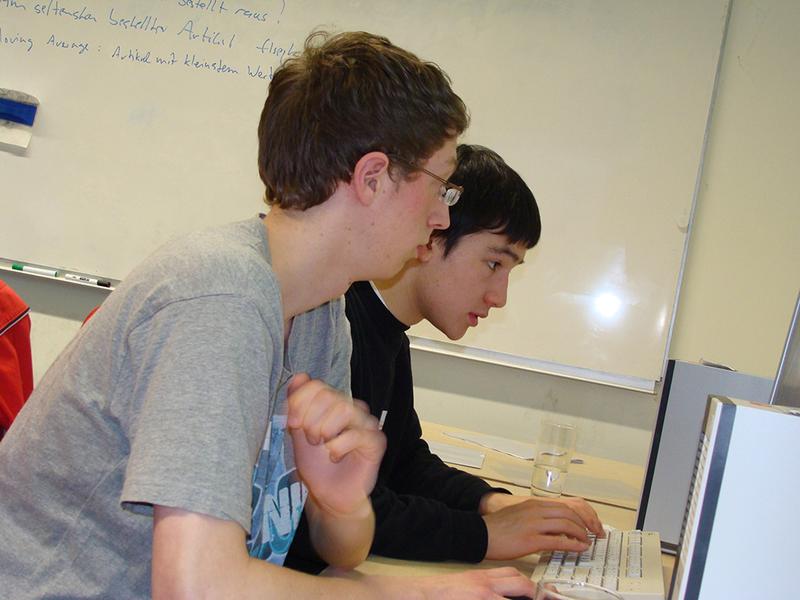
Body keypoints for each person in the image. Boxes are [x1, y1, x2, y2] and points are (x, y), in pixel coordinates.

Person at [0, 32, 536, 599]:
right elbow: (196, 587)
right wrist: (422, 595)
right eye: (441, 188)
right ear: (372, 177)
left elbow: (343, 552)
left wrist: (341, 502)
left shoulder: (323, 311)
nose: (440, 218)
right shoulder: (220, 297)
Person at [286, 144, 604, 574]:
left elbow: (404, 461)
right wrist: (484, 535)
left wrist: (491, 502)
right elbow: (346, 504)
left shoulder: (390, 332)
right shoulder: (339, 322)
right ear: (431, 235)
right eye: (493, 263)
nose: (500, 297)